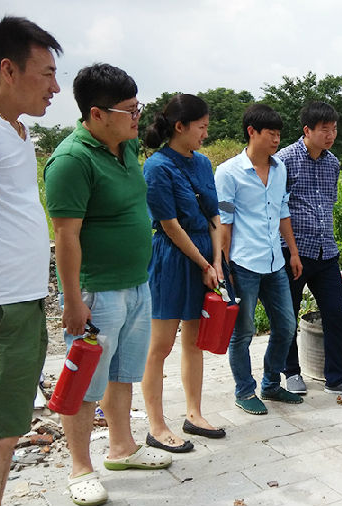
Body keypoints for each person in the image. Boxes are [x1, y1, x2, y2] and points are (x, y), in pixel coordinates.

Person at [45, 63, 171, 506]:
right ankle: (80, 468)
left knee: (122, 374)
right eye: (129, 110)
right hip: (97, 292)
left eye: (139, 107)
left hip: (137, 284)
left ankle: (122, 448)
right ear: (96, 114)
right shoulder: (71, 161)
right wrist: (72, 300)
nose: (138, 117)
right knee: (84, 384)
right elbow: (66, 236)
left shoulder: (125, 144)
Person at [0, 16, 61, 506]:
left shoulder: (16, 130)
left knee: (8, 427)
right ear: (8, 69)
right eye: (47, 74)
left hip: (22, 298)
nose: (55, 88)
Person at [140, 93, 225, 454]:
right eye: (201, 127)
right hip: (173, 260)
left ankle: (194, 414)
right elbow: (170, 226)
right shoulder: (157, 167)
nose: (205, 134)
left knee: (195, 341)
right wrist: (204, 264)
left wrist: (217, 262)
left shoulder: (203, 163)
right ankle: (157, 426)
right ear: (180, 127)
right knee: (160, 345)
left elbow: (214, 215)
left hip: (206, 259)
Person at [216, 104, 304, 415]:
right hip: (243, 263)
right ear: (252, 132)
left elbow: (282, 212)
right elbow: (224, 223)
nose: (277, 140)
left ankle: (271, 384)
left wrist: (293, 252)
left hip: (274, 262)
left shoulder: (280, 170)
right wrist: (223, 266)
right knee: (243, 332)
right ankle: (244, 390)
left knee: (287, 325)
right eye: (271, 134)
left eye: (279, 134)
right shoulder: (228, 173)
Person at [278, 101, 342, 397]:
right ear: (307, 130)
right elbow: (277, 208)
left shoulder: (332, 163)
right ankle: (291, 372)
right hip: (293, 253)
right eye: (325, 129)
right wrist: (291, 250)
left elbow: (328, 204)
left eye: (334, 129)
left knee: (335, 314)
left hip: (326, 251)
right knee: (288, 315)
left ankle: (335, 377)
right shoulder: (284, 160)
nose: (331, 135)